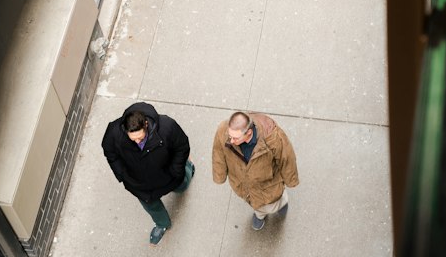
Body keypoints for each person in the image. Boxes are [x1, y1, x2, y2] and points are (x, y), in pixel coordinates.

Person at [101, 101, 194, 244]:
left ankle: (189, 168)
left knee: (182, 185)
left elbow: (181, 147)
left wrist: (176, 169)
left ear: (145, 124)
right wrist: (121, 174)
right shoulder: (114, 132)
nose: (137, 142)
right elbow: (110, 152)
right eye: (133, 139)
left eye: (140, 137)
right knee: (151, 206)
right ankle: (162, 224)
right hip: (139, 184)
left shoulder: (167, 126)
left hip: (168, 175)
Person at [212, 110, 299, 231]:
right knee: (255, 203)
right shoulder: (223, 130)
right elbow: (218, 152)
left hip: (269, 184)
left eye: (235, 138)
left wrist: (291, 180)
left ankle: (282, 204)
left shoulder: (273, 138)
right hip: (243, 183)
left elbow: (287, 158)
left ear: (248, 133)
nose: (231, 141)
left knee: (274, 201)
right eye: (230, 136)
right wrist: (219, 175)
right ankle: (260, 215)